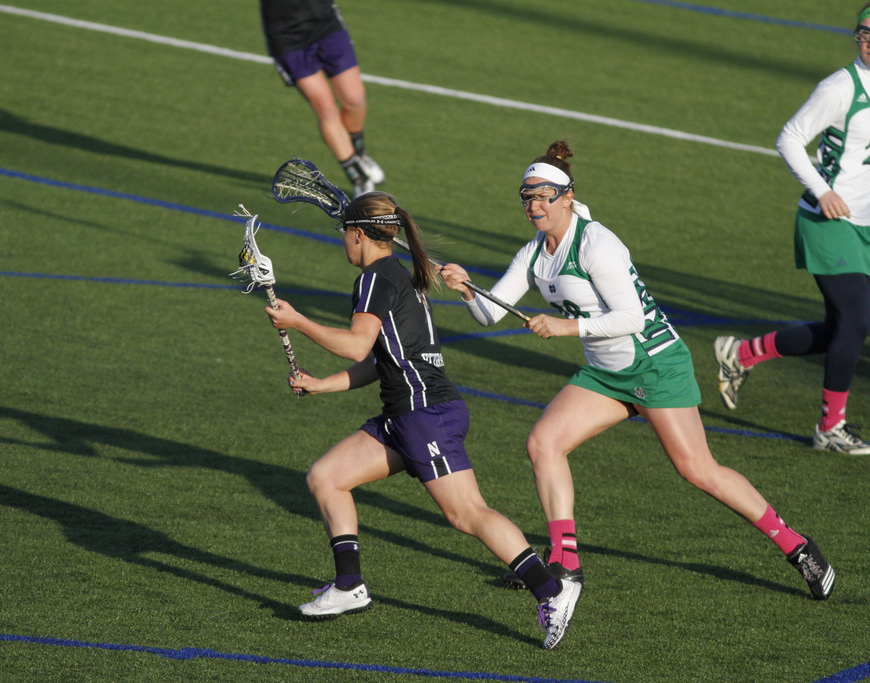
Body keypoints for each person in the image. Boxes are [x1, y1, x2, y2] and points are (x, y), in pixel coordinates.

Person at [438, 141, 836, 601]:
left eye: (545, 196)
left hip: (654, 365)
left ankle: (796, 546)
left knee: (698, 470)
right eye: (527, 198)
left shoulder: (596, 243)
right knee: (543, 443)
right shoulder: (534, 253)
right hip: (607, 373)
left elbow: (633, 318)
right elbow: (490, 314)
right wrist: (467, 289)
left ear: (568, 196)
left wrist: (567, 327)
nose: (535, 206)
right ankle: (566, 562)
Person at [264, 191, 581, 650]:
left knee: (467, 513)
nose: (343, 242)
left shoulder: (375, 279)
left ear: (358, 234)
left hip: (423, 415)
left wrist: (298, 321)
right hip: (406, 414)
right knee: (327, 477)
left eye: (343, 234)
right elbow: (381, 361)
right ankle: (349, 586)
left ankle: (551, 591)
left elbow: (356, 345)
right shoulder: (401, 275)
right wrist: (322, 384)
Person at [715, 4, 870, 455]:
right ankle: (830, 428)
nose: (867, 42)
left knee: (844, 325)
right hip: (827, 222)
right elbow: (789, 138)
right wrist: (822, 191)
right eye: (863, 33)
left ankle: (742, 355)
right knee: (855, 321)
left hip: (864, 225)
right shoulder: (840, 88)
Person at [260, 0, 385, 197]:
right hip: (286, 34)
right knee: (326, 108)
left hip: (324, 20)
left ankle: (359, 153)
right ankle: (358, 177)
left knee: (354, 98)